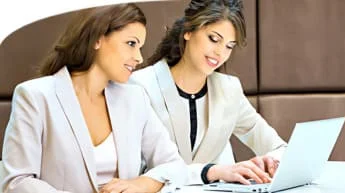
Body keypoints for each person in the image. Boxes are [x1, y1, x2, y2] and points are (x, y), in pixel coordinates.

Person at [1, 4, 188, 193]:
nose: (139, 57)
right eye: (131, 44)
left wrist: (140, 184)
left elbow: (173, 165)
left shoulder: (135, 98)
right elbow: (17, 182)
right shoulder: (34, 97)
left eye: (140, 47)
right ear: (97, 39)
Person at [130, 0, 287, 185]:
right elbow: (136, 172)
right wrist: (213, 171)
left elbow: (279, 147)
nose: (220, 52)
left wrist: (269, 162)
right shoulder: (139, 86)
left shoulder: (229, 90)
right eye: (214, 39)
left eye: (229, 46)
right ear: (188, 31)